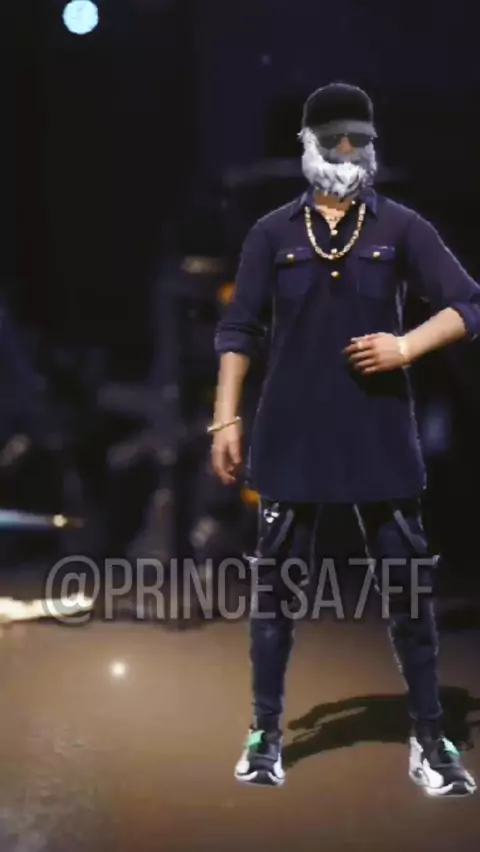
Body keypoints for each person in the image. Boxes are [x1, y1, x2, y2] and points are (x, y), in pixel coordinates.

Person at [210, 82, 480, 797]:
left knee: (408, 592)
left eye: (360, 140)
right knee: (276, 596)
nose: (349, 152)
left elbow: (468, 304)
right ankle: (266, 734)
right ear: (309, 145)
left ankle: (430, 736)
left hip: (378, 437)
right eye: (335, 140)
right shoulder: (272, 233)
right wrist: (225, 418)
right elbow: (239, 329)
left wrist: (406, 345)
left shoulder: (401, 227)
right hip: (291, 437)